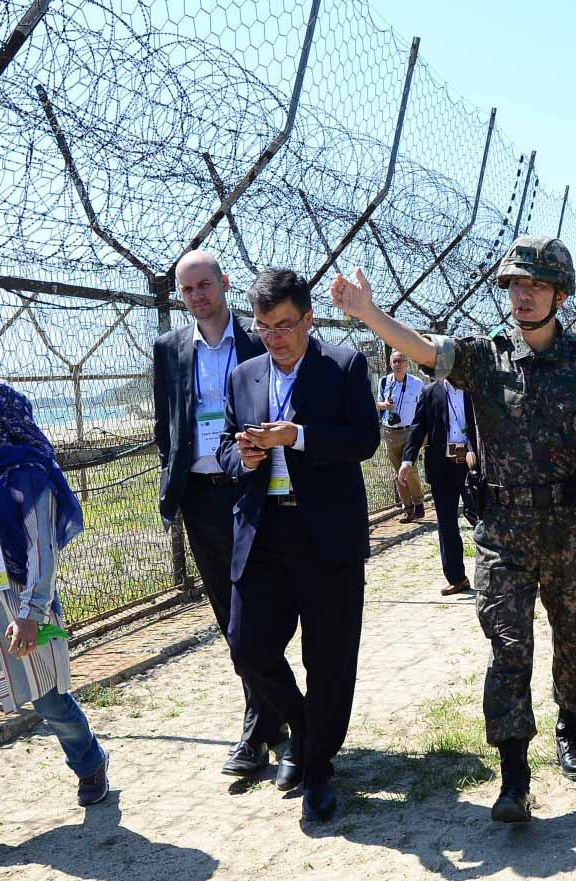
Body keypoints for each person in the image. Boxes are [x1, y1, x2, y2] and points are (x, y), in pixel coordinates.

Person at [330, 235, 576, 823]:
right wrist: (370, 313)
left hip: (570, 529)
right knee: (508, 647)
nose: (523, 294)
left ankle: (570, 727)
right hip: (503, 529)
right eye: (516, 284)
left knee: (574, 639)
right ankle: (514, 774)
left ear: (560, 295)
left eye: (536, 284)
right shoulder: (483, 357)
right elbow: (422, 348)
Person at [216, 269, 380, 823]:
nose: (275, 338)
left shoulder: (343, 365)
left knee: (329, 657)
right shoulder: (243, 376)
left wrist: (298, 437)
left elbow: (364, 439)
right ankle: (306, 733)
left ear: (308, 319)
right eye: (264, 328)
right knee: (248, 646)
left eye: (285, 326)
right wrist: (245, 456)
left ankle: (317, 769)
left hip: (326, 533)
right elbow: (224, 449)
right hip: (263, 532)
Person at [0, 383, 109, 861]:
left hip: (19, 613)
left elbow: (42, 552)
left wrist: (32, 615)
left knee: (50, 702)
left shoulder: (29, 473)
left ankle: (91, 762)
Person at [152, 249, 286, 778]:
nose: (197, 297)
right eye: (187, 290)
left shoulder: (257, 338)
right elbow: (169, 424)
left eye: (204, 285)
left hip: (254, 490)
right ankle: (264, 720)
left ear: (224, 284)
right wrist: (177, 478)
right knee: (229, 616)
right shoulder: (170, 348)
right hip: (202, 496)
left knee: (260, 611)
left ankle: (267, 721)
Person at [399, 379, 478, 595]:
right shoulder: (429, 392)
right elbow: (418, 428)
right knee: (447, 523)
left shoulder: (475, 387)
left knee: (481, 519)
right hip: (442, 467)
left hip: (473, 465)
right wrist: (407, 461)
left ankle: (494, 573)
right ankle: (457, 578)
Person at [378, 351, 426, 523]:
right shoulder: (384, 382)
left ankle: (419, 502)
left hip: (410, 431)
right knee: (397, 472)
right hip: (390, 432)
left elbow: (423, 408)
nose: (397, 364)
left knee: (409, 468)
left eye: (401, 361)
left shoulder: (417, 383)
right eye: (394, 361)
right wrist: (385, 405)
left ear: (407, 364)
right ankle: (408, 509)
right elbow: (378, 404)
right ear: (391, 364)